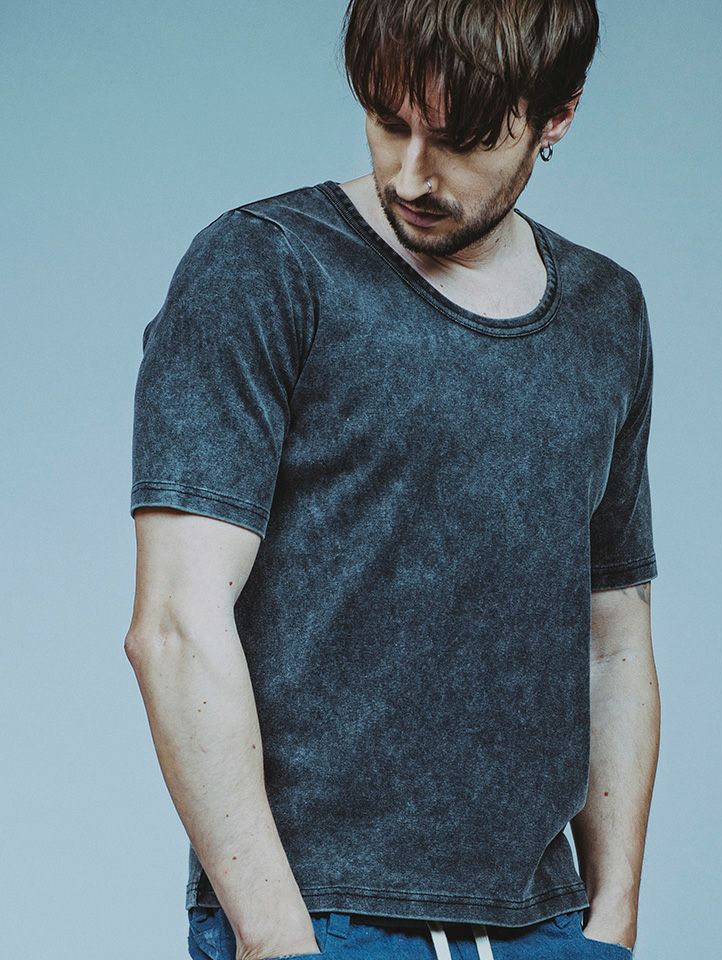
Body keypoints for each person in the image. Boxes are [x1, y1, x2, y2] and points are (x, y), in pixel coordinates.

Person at [124, 2, 660, 958]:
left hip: (546, 924)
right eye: (387, 120)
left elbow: (612, 636)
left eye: (459, 140)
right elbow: (175, 624)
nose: (412, 173)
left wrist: (612, 922)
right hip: (320, 918)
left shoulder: (605, 313)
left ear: (557, 115)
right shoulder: (266, 267)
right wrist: (275, 937)